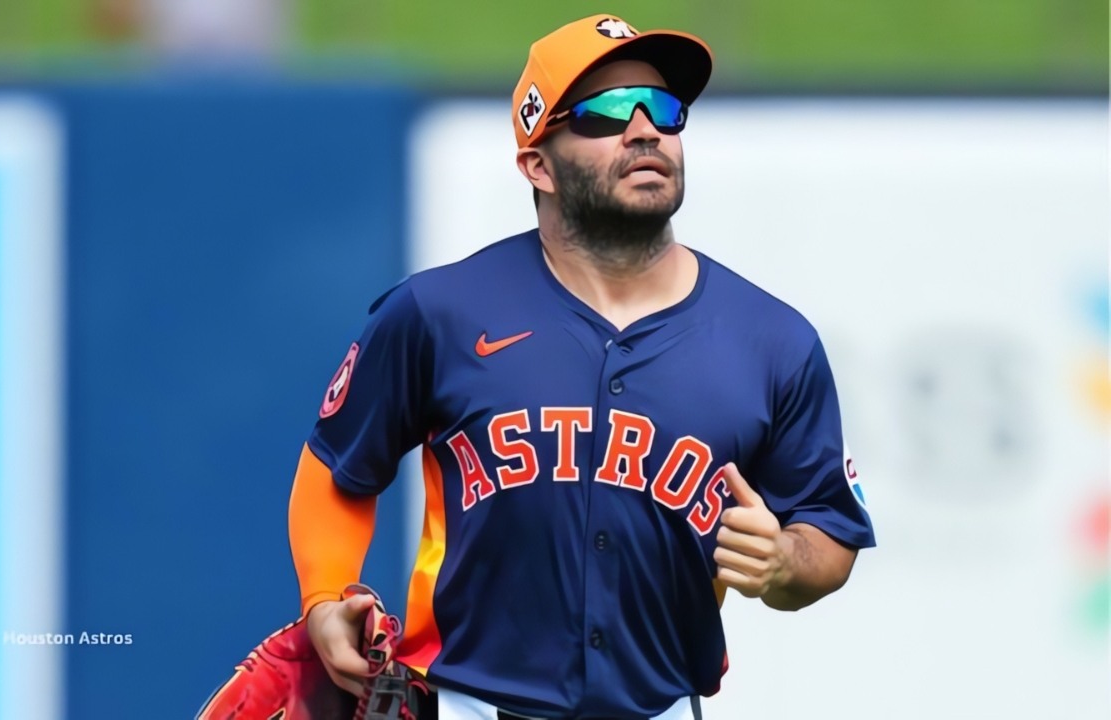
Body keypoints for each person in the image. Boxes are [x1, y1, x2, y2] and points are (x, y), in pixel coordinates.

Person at [287, 12, 876, 720]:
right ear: (539, 164)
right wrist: (324, 596)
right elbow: (338, 464)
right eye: (603, 114)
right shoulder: (437, 312)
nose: (644, 129)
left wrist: (785, 564)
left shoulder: (773, 340)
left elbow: (829, 532)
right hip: (472, 705)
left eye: (662, 108)